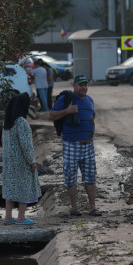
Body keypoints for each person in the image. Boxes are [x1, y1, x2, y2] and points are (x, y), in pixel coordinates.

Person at [49, 74, 102, 217]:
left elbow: (92, 116)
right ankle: (74, 208)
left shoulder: (89, 100)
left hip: (88, 145)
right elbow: (51, 115)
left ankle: (93, 208)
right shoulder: (66, 99)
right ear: (74, 85)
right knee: (71, 177)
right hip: (71, 144)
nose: (84, 87)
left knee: (90, 177)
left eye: (85, 85)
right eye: (81, 85)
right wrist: (67, 111)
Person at [2, 93, 41, 225]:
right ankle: (21, 217)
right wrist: (32, 161)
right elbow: (26, 145)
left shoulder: (7, 123)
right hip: (21, 162)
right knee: (23, 188)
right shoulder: (21, 123)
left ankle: (8, 217)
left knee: (10, 188)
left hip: (8, 161)